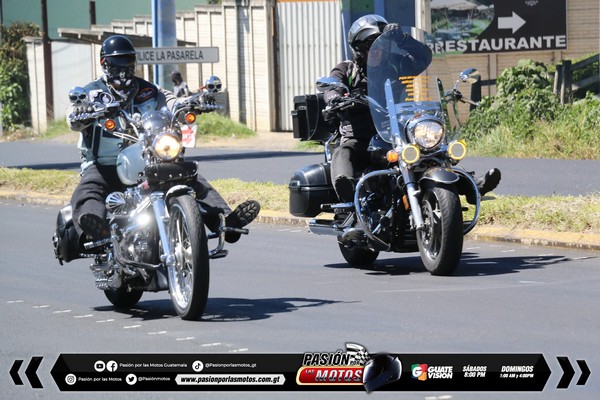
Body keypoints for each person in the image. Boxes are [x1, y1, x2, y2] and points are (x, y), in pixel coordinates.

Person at [67, 35, 259, 247]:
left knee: (188, 176)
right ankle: (96, 228)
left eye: (128, 60)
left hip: (146, 160)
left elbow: (173, 102)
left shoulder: (149, 91)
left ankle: (225, 221)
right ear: (105, 63)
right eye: (118, 61)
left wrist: (195, 101)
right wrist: (81, 112)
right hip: (105, 165)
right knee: (89, 189)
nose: (123, 67)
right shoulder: (90, 92)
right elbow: (72, 117)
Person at [324, 14, 501, 204]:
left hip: (394, 130)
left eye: (380, 45)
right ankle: (348, 193)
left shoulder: (395, 64)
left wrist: (402, 39)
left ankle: (472, 186)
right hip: (359, 134)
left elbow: (423, 57)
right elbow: (331, 84)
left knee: (432, 151)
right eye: (369, 46)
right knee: (344, 151)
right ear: (358, 49)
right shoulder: (347, 69)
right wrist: (335, 97)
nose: (376, 50)